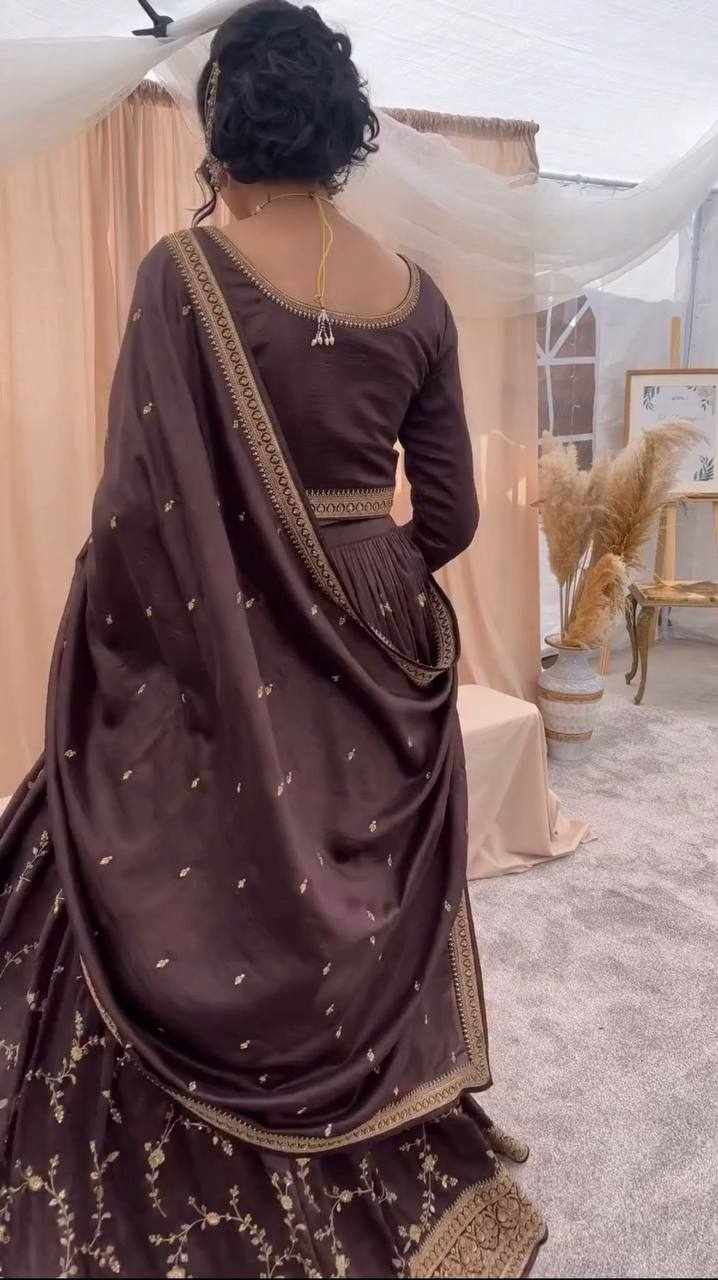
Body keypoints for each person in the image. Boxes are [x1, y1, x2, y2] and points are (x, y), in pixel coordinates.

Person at [0, 2, 546, 1274]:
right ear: (342, 127)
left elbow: (137, 513)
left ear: (224, 120)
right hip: (379, 622)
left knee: (188, 866)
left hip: (222, 621)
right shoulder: (415, 295)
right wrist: (360, 568)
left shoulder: (184, 272)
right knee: (344, 895)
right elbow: (451, 517)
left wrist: (194, 617)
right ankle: (364, 1104)